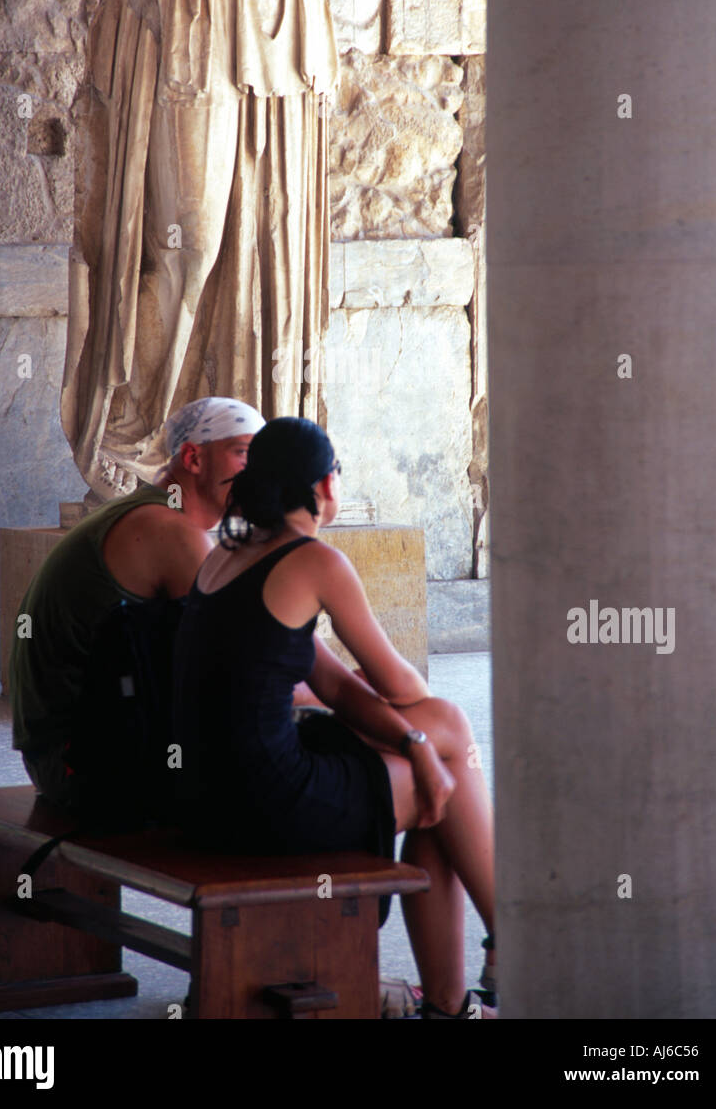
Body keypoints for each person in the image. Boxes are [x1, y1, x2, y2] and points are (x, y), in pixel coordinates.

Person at [171, 417, 497, 1018]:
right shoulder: (316, 562)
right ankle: (493, 959)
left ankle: (472, 987)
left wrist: (418, 743)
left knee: (438, 761)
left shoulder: (227, 556)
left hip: (205, 796)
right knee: (444, 752)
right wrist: (422, 739)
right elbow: (405, 683)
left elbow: (336, 687)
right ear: (325, 485)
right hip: (269, 801)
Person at [9, 397, 264, 816]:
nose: (256, 474)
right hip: (80, 767)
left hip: (66, 754)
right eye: (243, 454)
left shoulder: (151, 514)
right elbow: (231, 668)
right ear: (194, 458)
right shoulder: (170, 531)